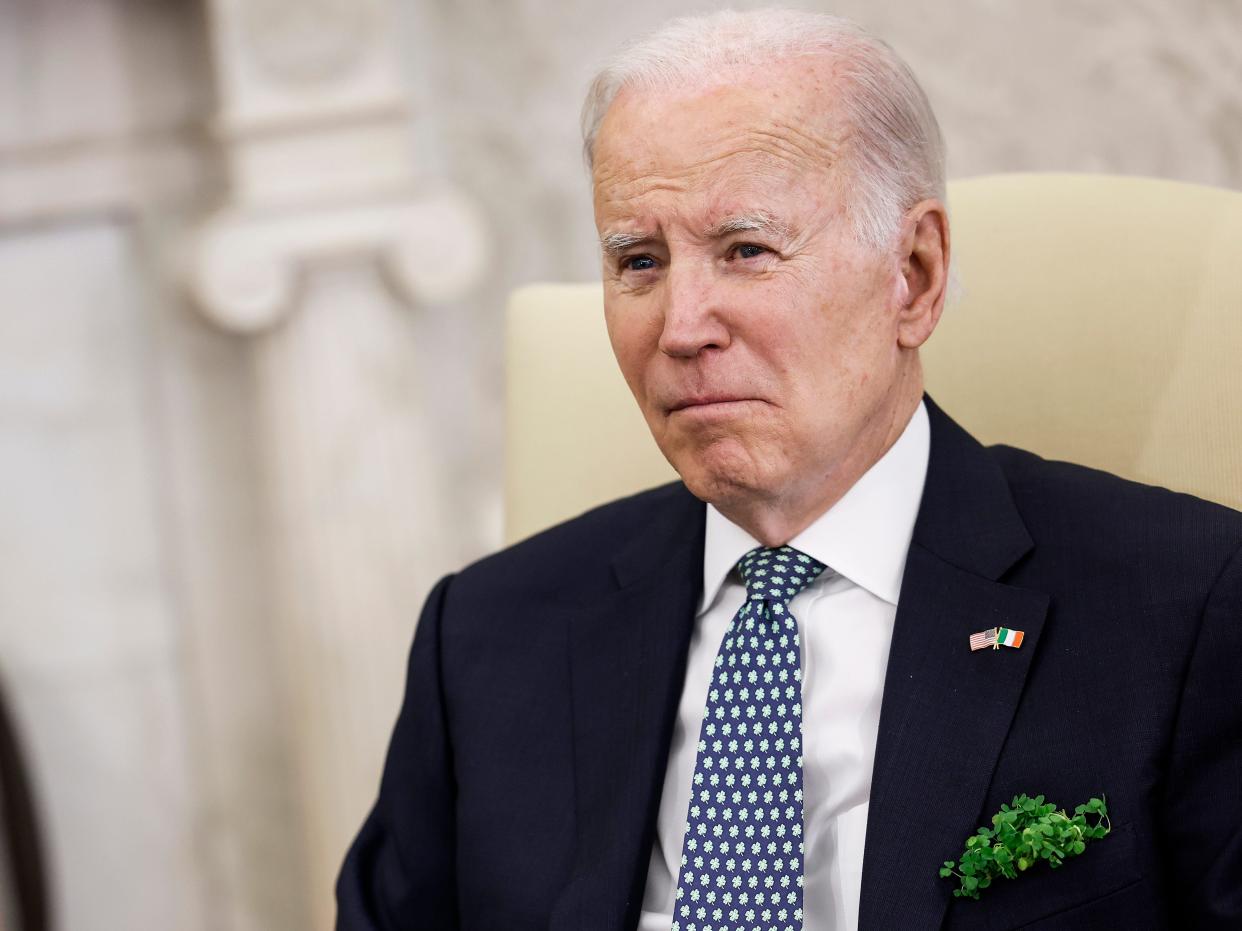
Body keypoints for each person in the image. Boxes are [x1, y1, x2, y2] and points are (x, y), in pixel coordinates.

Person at [336, 10, 1242, 930]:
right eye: (638, 261)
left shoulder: (1186, 605)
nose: (682, 326)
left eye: (747, 250)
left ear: (915, 275)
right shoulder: (483, 639)